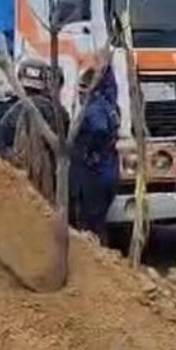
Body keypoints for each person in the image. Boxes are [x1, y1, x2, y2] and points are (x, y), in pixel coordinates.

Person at [0, 58, 69, 203]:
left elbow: (1, 150)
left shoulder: (10, 114)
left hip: (20, 184)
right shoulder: (57, 112)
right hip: (51, 184)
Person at [69, 67, 120, 245]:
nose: (80, 94)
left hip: (94, 174)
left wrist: (90, 153)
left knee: (91, 222)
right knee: (97, 222)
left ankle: (98, 260)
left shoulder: (94, 108)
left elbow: (99, 129)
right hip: (107, 170)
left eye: (82, 89)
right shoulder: (108, 104)